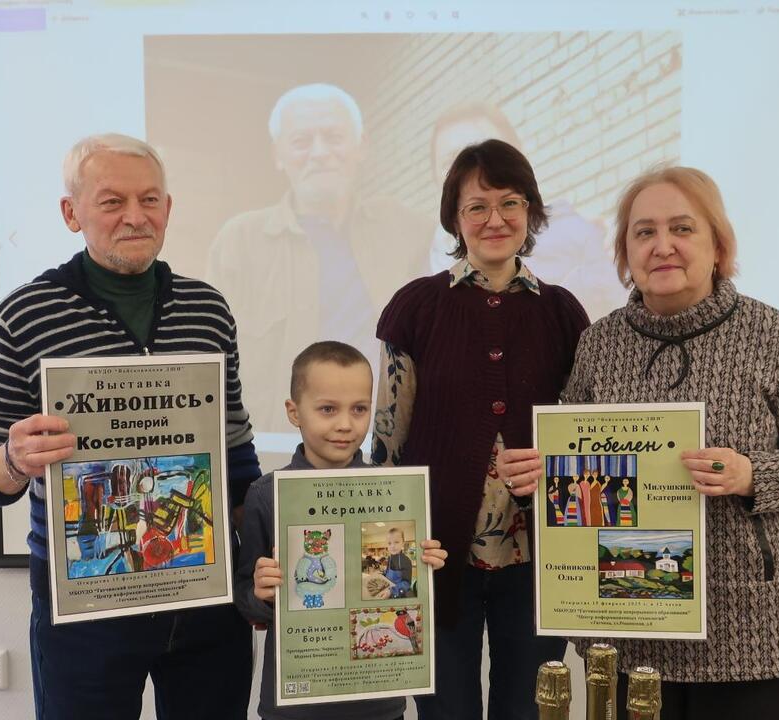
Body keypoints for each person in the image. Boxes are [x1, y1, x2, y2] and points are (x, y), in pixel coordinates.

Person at [498, 166, 779, 720]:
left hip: (751, 634)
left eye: (682, 228)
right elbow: (571, 468)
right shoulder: (599, 343)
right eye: (644, 232)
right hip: (624, 627)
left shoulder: (771, 332)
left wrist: (750, 473)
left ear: (717, 245)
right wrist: (539, 476)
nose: (663, 246)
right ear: (625, 252)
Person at [0, 133, 262, 720]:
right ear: (72, 213)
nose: (135, 216)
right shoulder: (22, 315)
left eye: (150, 199)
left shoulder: (208, 308)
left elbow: (235, 448)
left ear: (168, 210)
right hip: (85, 602)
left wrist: (255, 554)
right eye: (112, 201)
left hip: (204, 592)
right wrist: (14, 459)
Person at [373, 139, 591, 719]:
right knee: (447, 710)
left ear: (531, 213)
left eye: (511, 203)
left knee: (529, 708)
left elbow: (585, 435)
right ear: (454, 218)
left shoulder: (565, 313)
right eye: (477, 206)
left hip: (540, 557)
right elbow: (389, 438)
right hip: (438, 555)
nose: (495, 219)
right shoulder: (416, 307)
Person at [235, 340, 447, 720]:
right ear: (294, 411)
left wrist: (426, 568)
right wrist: (260, 592)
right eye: (328, 409)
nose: (345, 424)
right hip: (295, 702)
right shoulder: (265, 495)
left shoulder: (398, 493)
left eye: (359, 409)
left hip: (379, 701)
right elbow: (246, 601)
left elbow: (410, 600)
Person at [208, 83, 429, 432]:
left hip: (391, 446)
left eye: (334, 137)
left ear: (362, 146)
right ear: (278, 155)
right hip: (281, 451)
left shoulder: (407, 230)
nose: (320, 152)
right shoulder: (239, 243)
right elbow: (216, 365)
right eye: (301, 142)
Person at [427, 102, 622, 320]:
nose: (473, 171)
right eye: (450, 162)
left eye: (489, 154)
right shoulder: (417, 280)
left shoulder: (578, 239)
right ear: (435, 176)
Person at [382, 527, 414, 598]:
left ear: (403, 543)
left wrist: (391, 591)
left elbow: (406, 583)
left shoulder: (406, 561)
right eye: (389, 543)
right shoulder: (390, 558)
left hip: (399, 593)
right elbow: (387, 572)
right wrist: (382, 575)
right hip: (387, 589)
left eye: (396, 542)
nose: (392, 546)